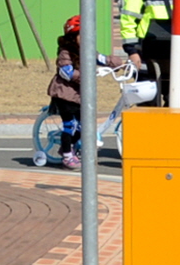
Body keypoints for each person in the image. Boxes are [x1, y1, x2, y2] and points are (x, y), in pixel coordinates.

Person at [46, 15, 126, 171]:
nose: (87, 38)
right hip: (65, 95)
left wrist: (120, 63)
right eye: (82, 35)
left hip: (79, 96)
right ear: (72, 36)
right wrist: (87, 76)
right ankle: (67, 156)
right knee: (71, 125)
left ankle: (67, 147)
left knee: (84, 126)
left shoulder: (87, 50)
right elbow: (66, 72)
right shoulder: (65, 52)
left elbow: (102, 59)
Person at [118, 0, 178, 101]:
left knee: (178, 100)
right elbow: (128, 23)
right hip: (146, 52)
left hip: (174, 51)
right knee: (148, 101)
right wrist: (132, 51)